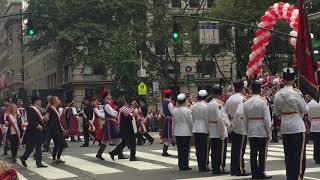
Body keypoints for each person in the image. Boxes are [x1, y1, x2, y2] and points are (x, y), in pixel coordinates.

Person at [273, 67, 308, 180]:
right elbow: (305, 110)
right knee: (299, 155)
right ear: (293, 79)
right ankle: (297, 177)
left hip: (285, 127)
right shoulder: (297, 93)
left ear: (283, 79)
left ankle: (290, 177)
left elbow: (276, 112)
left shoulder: (277, 95)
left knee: (288, 155)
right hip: (297, 126)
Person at [243, 79, 272, 179]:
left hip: (251, 130)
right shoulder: (263, 101)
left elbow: (245, 119)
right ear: (259, 90)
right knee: (262, 153)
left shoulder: (246, 102)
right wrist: (269, 133)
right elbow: (267, 119)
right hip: (261, 130)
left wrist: (247, 131)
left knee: (253, 152)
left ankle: (254, 173)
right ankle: (261, 171)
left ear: (251, 90)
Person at [225, 80, 250, 176]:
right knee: (240, 150)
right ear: (242, 88)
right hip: (240, 125)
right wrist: (234, 123)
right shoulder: (242, 99)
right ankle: (239, 169)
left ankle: (233, 169)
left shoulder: (230, 99)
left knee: (234, 149)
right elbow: (239, 113)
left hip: (233, 125)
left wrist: (229, 124)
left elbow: (223, 113)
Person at [207, 85, 230, 175]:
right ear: (220, 94)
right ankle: (220, 168)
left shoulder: (209, 104)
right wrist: (223, 131)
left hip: (212, 129)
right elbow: (219, 119)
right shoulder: (218, 104)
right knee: (221, 151)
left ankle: (214, 167)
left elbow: (207, 118)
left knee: (214, 151)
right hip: (218, 129)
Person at [20, 95, 47, 168]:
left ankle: (36, 162)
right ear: (36, 101)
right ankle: (26, 158)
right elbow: (31, 120)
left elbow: (38, 119)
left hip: (38, 131)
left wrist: (44, 119)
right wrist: (37, 125)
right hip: (33, 131)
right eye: (39, 100)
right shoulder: (30, 109)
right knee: (33, 147)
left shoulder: (38, 109)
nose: (40, 101)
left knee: (36, 147)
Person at [109, 97, 137, 161]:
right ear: (124, 102)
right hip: (127, 128)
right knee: (132, 141)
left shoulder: (121, 109)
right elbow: (132, 115)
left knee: (124, 143)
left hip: (124, 128)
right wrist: (134, 111)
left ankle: (113, 153)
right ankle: (132, 157)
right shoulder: (123, 109)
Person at [172, 93, 193, 171]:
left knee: (180, 149)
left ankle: (181, 164)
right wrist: (192, 131)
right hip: (186, 132)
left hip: (177, 132)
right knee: (186, 150)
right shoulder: (187, 110)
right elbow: (190, 122)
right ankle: (185, 165)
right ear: (184, 101)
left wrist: (173, 133)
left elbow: (173, 123)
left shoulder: (174, 111)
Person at [191, 90, 209, 172]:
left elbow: (193, 118)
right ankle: (204, 166)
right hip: (204, 129)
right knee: (204, 149)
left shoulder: (193, 106)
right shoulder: (206, 106)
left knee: (198, 149)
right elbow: (207, 119)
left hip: (196, 128)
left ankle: (200, 165)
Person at [47, 96, 67, 164]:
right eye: (57, 99)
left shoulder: (57, 108)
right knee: (57, 144)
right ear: (54, 101)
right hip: (54, 129)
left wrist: (62, 128)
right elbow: (47, 117)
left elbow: (58, 120)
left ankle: (58, 158)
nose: (59, 100)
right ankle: (54, 158)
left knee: (62, 144)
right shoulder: (50, 108)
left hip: (58, 128)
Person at [161, 89, 174, 156]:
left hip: (166, 119)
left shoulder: (163, 102)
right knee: (169, 135)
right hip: (170, 120)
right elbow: (173, 112)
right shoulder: (170, 103)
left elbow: (162, 113)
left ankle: (164, 150)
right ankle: (164, 151)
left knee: (166, 135)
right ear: (170, 95)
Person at [308, 97, 320, 164]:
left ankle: (316, 157)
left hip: (314, 125)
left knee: (316, 143)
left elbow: (309, 117)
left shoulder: (310, 104)